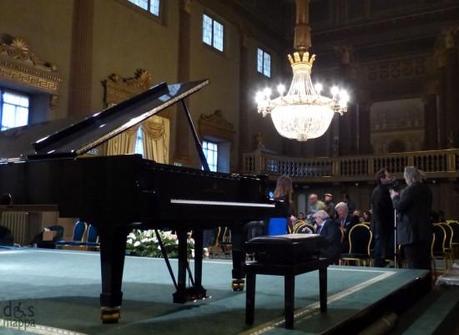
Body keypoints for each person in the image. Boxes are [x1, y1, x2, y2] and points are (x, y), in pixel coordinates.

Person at [390, 166, 432, 270]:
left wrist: (394, 197)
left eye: (405, 178)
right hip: (424, 232)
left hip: (412, 234)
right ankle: (426, 286)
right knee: (425, 264)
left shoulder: (410, 190)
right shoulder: (427, 189)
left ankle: (416, 286)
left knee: (414, 265)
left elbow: (399, 206)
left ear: (410, 178)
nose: (405, 180)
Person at [370, 168, 395, 267]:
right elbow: (384, 207)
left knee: (381, 244)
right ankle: (379, 264)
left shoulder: (378, 189)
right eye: (388, 176)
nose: (390, 178)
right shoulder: (381, 191)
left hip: (380, 222)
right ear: (382, 178)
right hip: (382, 222)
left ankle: (381, 261)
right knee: (380, 245)